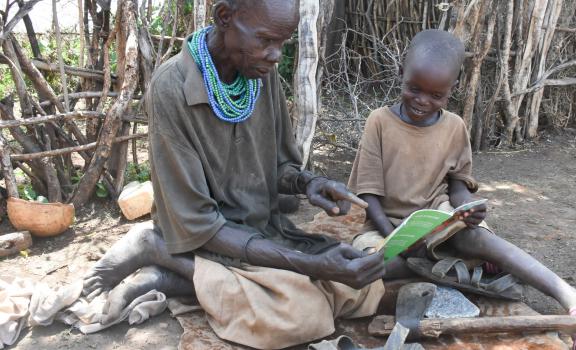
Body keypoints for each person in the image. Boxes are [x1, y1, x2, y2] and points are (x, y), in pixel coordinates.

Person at [80, 1, 386, 349]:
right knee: (300, 316)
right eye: (266, 40)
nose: (275, 55)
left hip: (263, 231)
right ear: (225, 17)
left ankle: (173, 276)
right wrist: (310, 264)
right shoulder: (171, 88)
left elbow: (281, 168)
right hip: (207, 238)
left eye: (282, 43)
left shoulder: (258, 74)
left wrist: (309, 183)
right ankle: (157, 248)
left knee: (363, 289)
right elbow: (200, 224)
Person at [347, 29, 576, 350]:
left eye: (437, 96)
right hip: (385, 228)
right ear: (400, 73)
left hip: (438, 221)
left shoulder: (454, 127)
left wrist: (469, 209)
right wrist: (399, 242)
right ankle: (465, 261)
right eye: (414, 89)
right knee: (367, 266)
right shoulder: (379, 121)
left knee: (475, 237)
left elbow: (458, 188)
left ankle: (575, 298)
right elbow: (368, 196)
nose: (423, 101)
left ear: (453, 88)